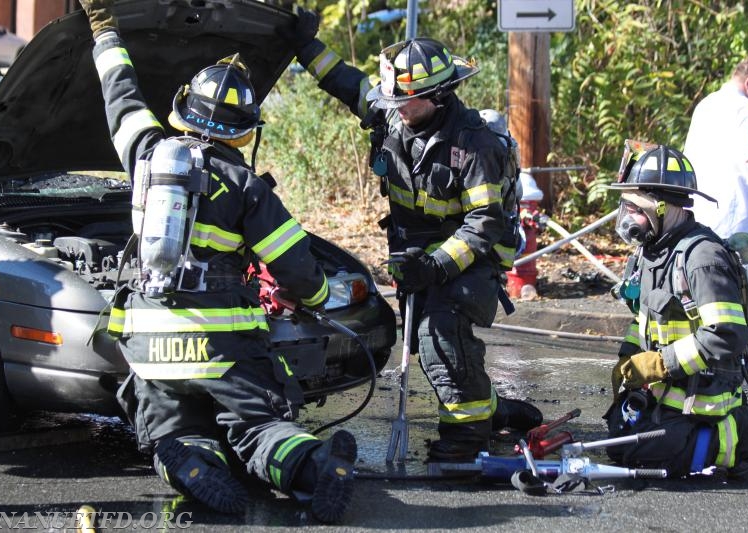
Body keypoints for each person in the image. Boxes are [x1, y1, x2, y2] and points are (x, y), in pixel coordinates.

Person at [78, 0, 356, 523]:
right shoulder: (248, 186)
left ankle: (195, 469)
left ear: (182, 109)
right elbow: (296, 269)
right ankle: (314, 466)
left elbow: (122, 92)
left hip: (148, 339)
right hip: (223, 340)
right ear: (245, 131)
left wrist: (105, 31)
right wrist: (317, 298)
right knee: (257, 427)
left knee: (174, 432)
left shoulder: (145, 154)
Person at [278, 11, 543, 462]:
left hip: (470, 259)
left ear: (440, 96)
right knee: (426, 345)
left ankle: (464, 441)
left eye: (409, 101)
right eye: (394, 99)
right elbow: (345, 83)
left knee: (442, 337)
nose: (398, 107)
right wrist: (304, 47)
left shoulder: (474, 145)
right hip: (415, 252)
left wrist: (435, 266)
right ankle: (494, 411)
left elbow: (484, 224)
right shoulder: (393, 112)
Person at [604, 141, 748, 478]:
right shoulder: (652, 252)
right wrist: (628, 355)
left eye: (635, 208)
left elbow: (726, 335)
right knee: (617, 435)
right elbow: (644, 317)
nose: (627, 219)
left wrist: (660, 363)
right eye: (625, 207)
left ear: (661, 207)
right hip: (669, 396)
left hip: (703, 401)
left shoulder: (702, 257)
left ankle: (739, 441)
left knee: (639, 456)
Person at [684, 58, 748, 265]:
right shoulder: (747, 109)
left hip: (704, 220)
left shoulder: (704, 105)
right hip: (743, 223)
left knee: (713, 289)